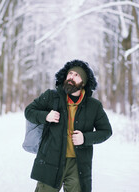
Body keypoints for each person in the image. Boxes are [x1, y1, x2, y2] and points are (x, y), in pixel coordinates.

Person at [25, 59, 112, 192]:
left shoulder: (94, 106)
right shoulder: (50, 97)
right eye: (70, 73)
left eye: (76, 75)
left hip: (78, 166)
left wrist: (86, 138)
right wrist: (46, 116)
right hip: (50, 161)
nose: (71, 77)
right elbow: (29, 111)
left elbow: (106, 131)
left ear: (83, 82)